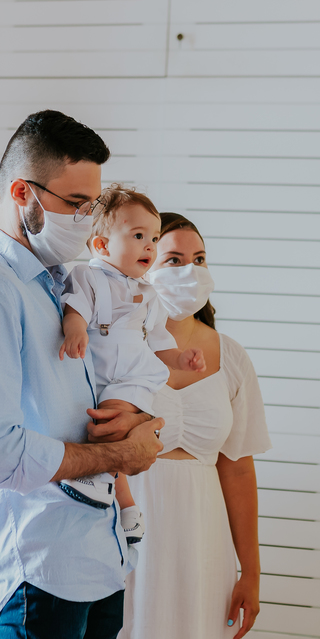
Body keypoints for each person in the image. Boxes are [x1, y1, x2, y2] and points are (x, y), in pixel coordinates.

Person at [0, 110, 165, 639]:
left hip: (98, 556)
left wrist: (136, 419)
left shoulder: (66, 284)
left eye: (93, 204)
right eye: (77, 204)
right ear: (24, 194)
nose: (88, 220)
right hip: (40, 569)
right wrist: (118, 455)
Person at [112, 213, 271, 639]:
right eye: (175, 260)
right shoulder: (117, 346)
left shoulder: (232, 356)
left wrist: (251, 572)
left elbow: (237, 468)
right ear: (144, 264)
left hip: (204, 535)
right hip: (128, 524)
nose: (190, 271)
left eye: (199, 259)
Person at [58, 184, 204, 539]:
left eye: (153, 238)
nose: (149, 246)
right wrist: (74, 329)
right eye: (139, 236)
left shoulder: (149, 294)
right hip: (97, 373)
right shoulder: (88, 276)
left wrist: (180, 358)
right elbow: (75, 308)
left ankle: (99, 480)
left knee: (114, 425)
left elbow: (158, 341)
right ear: (102, 245)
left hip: (133, 376)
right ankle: (128, 508)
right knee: (113, 436)